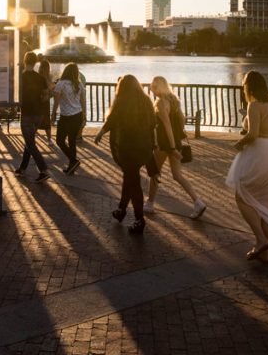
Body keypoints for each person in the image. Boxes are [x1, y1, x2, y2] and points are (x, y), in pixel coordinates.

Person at [226, 71, 268, 263]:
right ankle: (265, 253)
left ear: (249, 87)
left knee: (242, 194)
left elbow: (252, 134)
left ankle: (260, 240)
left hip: (261, 151)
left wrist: (238, 145)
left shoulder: (254, 105)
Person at [93, 74, 157, 234]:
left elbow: (112, 120)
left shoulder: (122, 101)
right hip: (143, 148)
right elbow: (152, 125)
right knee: (129, 179)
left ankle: (139, 219)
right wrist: (152, 147)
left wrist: (101, 132)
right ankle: (121, 210)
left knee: (133, 183)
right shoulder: (146, 100)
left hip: (128, 149)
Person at [145, 76, 207, 219]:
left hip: (164, 143)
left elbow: (166, 126)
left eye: (154, 87)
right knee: (177, 175)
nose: (152, 90)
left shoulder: (160, 103)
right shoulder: (174, 100)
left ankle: (150, 203)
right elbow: (182, 120)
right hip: (175, 142)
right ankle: (198, 202)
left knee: (155, 172)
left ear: (159, 87)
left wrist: (171, 148)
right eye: (151, 87)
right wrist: (176, 143)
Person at [15, 51, 51, 183]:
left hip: (26, 114)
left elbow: (17, 97)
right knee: (29, 141)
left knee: (30, 143)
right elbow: (45, 97)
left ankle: (43, 170)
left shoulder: (21, 78)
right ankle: (22, 169)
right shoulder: (41, 78)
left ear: (25, 61)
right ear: (35, 62)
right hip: (39, 115)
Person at [51, 62, 85, 175]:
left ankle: (73, 161)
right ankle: (72, 166)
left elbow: (56, 101)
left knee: (60, 141)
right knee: (71, 142)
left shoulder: (61, 84)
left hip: (66, 117)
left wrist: (53, 114)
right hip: (78, 115)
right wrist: (84, 116)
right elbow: (83, 101)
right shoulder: (79, 84)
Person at [37, 57, 53, 141]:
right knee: (46, 121)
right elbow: (50, 90)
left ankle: (33, 135)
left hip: (38, 100)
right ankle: (49, 139)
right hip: (46, 102)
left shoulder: (38, 76)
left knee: (37, 118)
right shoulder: (49, 77)